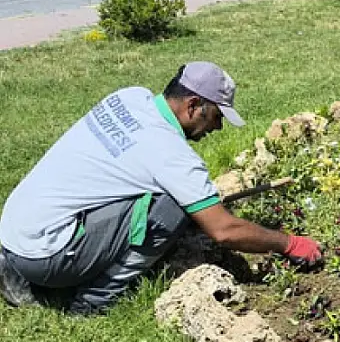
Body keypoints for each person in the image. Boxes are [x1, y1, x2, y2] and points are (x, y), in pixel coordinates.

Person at [0, 62, 323, 314]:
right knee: (172, 206)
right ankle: (94, 301)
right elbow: (224, 231)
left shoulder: (128, 97)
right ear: (194, 104)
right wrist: (287, 243)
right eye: (216, 116)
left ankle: (13, 269)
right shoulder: (173, 157)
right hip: (50, 256)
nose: (217, 127)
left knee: (156, 196)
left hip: (16, 229)